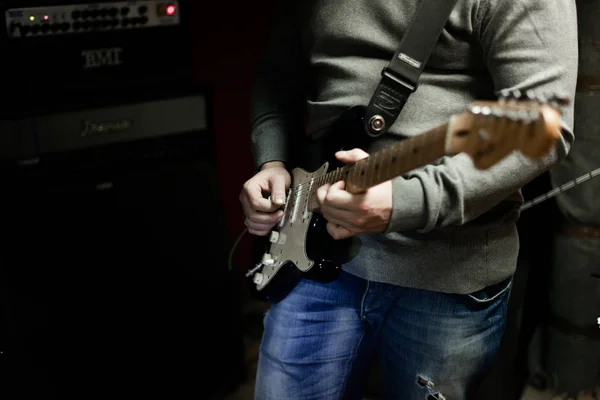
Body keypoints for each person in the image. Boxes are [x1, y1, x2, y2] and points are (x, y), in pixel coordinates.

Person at [238, 0, 578, 399]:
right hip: (309, 253)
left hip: (445, 273)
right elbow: (279, 77)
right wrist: (272, 161)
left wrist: (407, 201)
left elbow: (540, 125)